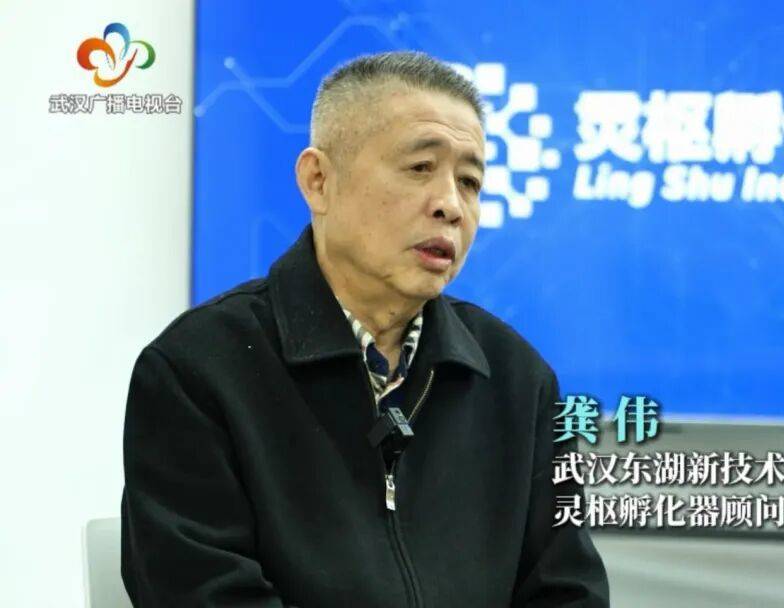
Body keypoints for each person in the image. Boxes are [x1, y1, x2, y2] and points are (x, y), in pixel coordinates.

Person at [120, 50, 610, 607]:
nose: (451, 205)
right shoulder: (198, 369)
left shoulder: (518, 379)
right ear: (319, 181)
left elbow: (568, 591)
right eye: (420, 168)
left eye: (470, 181)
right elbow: (202, 594)